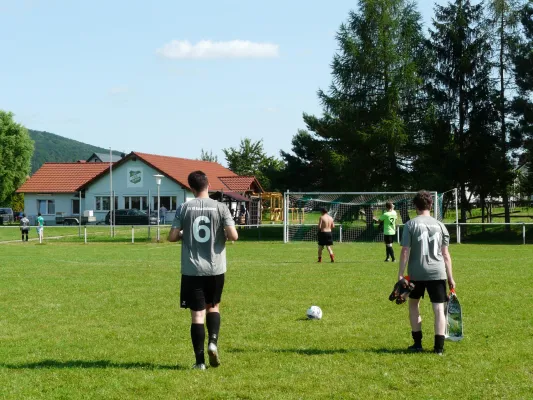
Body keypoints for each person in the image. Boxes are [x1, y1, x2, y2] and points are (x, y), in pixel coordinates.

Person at [168, 170, 238, 370]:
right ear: (208, 184)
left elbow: (172, 236)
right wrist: (223, 232)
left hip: (192, 270)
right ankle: (213, 342)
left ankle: (199, 362)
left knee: (197, 315)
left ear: (190, 187)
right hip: (216, 268)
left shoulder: (184, 208)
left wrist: (183, 234)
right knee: (213, 307)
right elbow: (233, 236)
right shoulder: (220, 207)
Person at [397, 191, 456, 355]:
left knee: (414, 305)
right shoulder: (440, 225)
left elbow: (404, 251)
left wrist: (401, 275)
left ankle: (417, 344)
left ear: (415, 206)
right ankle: (438, 348)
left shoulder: (410, 224)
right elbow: (445, 254)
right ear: (431, 205)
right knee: (438, 309)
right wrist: (450, 277)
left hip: (416, 273)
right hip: (438, 272)